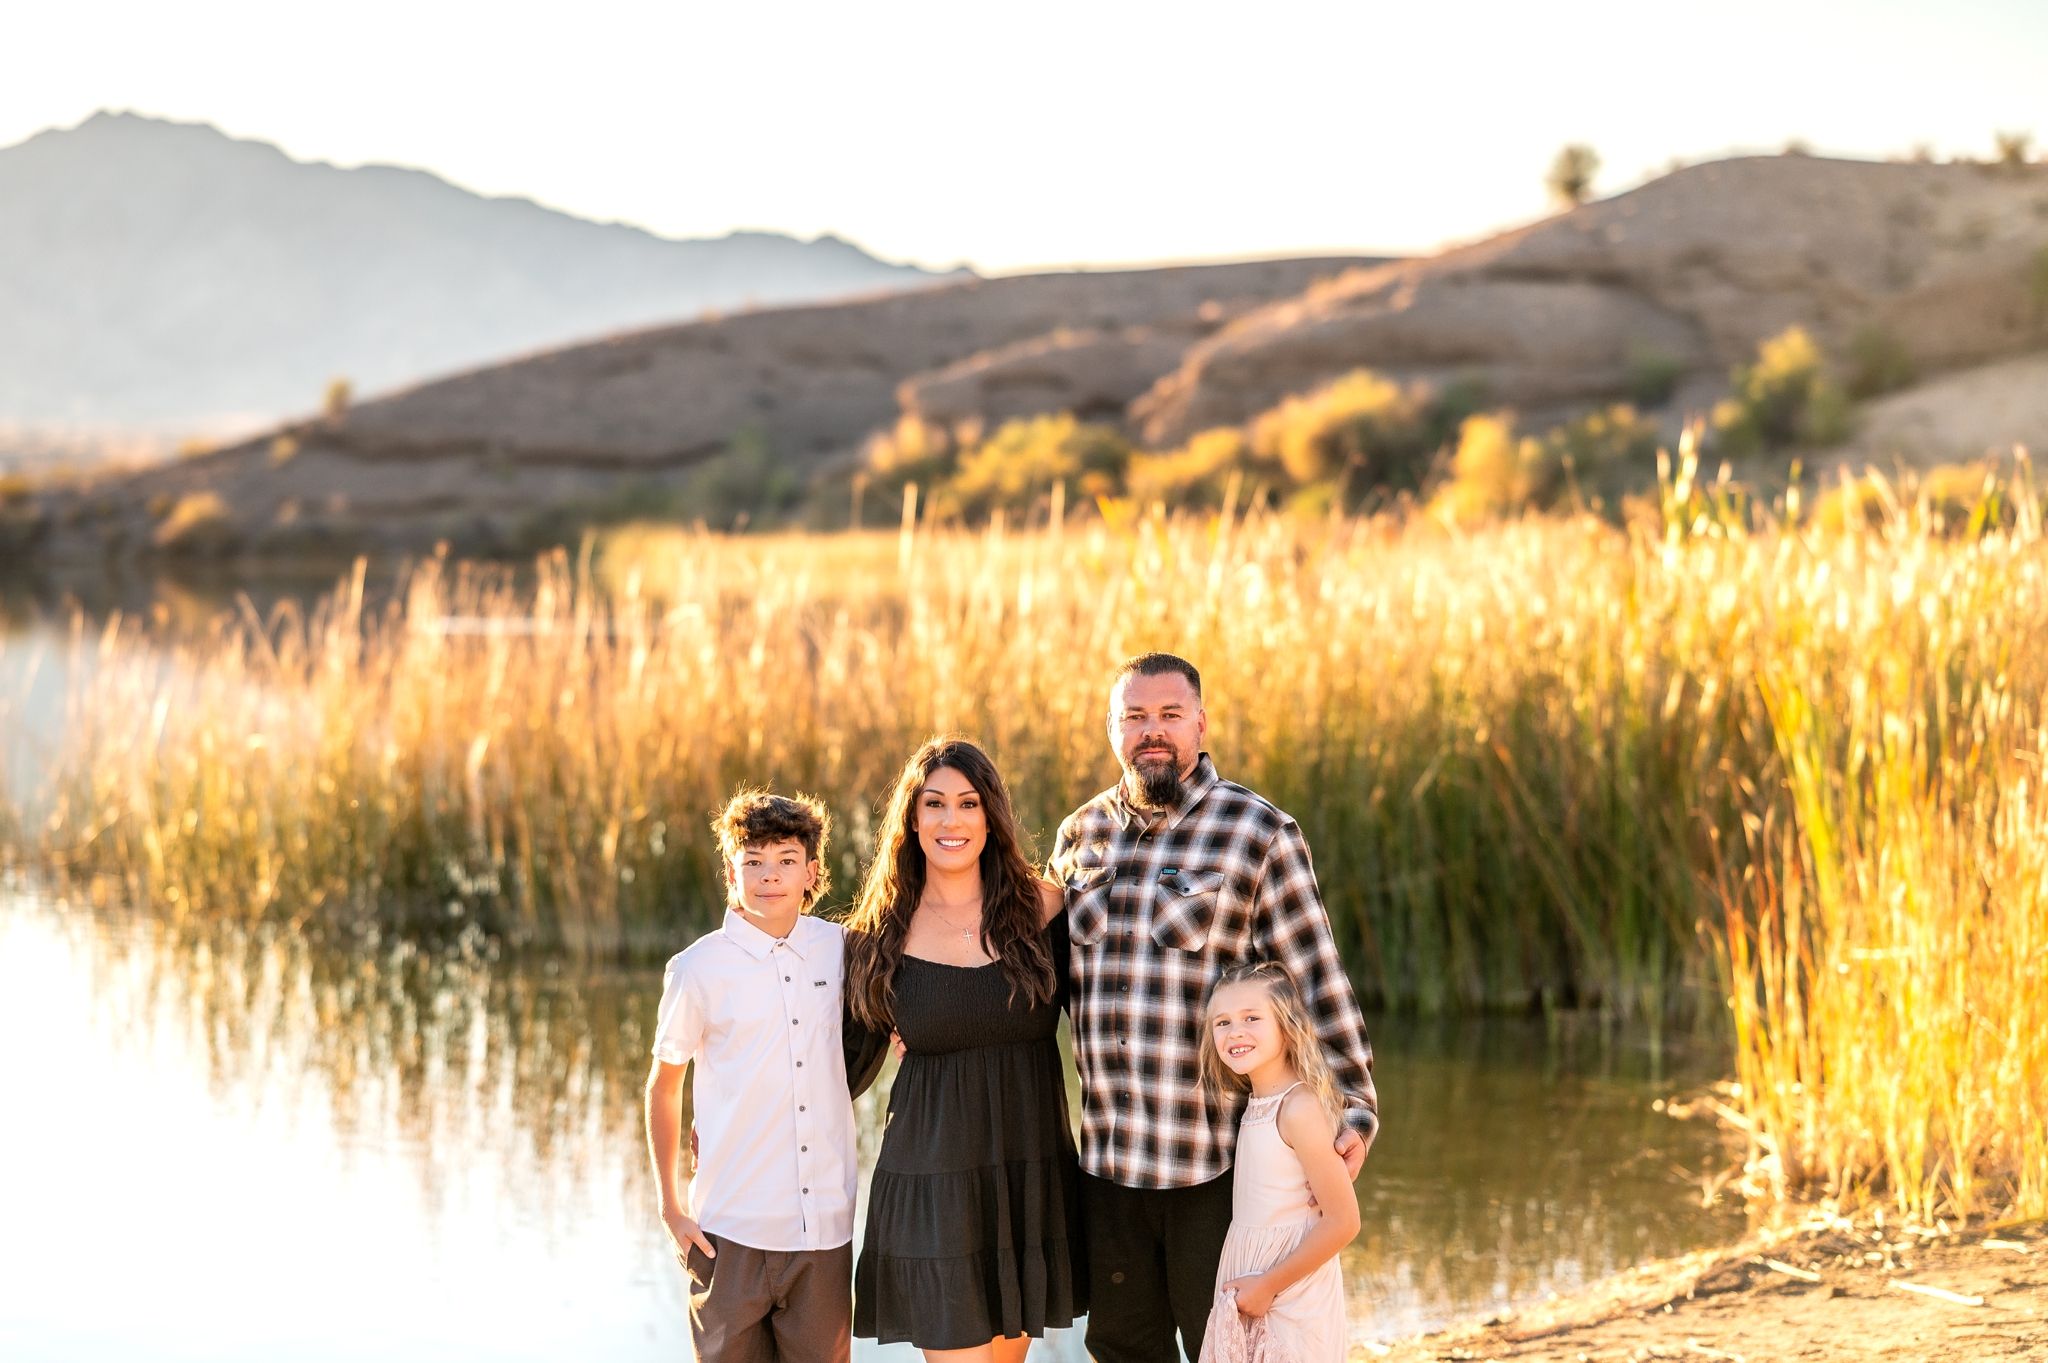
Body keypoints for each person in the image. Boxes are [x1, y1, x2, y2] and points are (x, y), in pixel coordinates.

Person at [1050, 652, 1379, 1363]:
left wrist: (1353, 1109)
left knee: (1227, 1343)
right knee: (1120, 1347)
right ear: (1113, 729)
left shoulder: (1257, 831)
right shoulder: (1078, 838)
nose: (1153, 731)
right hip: (1108, 1164)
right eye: (1134, 716)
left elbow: (1317, 982)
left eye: (1170, 714)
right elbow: (1038, 976)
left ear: (1200, 721)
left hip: (1217, 1166)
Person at [844, 736, 1087, 1363]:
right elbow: (832, 1070)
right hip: (933, 1183)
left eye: (969, 803)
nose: (951, 821)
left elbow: (1113, 1014)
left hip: (1025, 1173)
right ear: (912, 819)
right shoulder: (879, 935)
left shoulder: (1048, 910)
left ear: (992, 815)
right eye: (934, 805)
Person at [643, 789, 886, 1363]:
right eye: (753, 861)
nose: (769, 876)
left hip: (823, 1235)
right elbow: (663, 1085)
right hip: (728, 1234)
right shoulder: (697, 968)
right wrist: (670, 1207)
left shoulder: (845, 951)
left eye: (785, 860)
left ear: (812, 871)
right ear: (732, 870)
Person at [1195, 962, 1360, 1363]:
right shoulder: (1257, 1103)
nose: (1235, 1031)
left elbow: (1343, 1221)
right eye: (1222, 1022)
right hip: (1256, 1277)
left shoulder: (1297, 1107)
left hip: (1291, 1291)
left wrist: (1269, 1284)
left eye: (1252, 1018)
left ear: (1287, 1026)